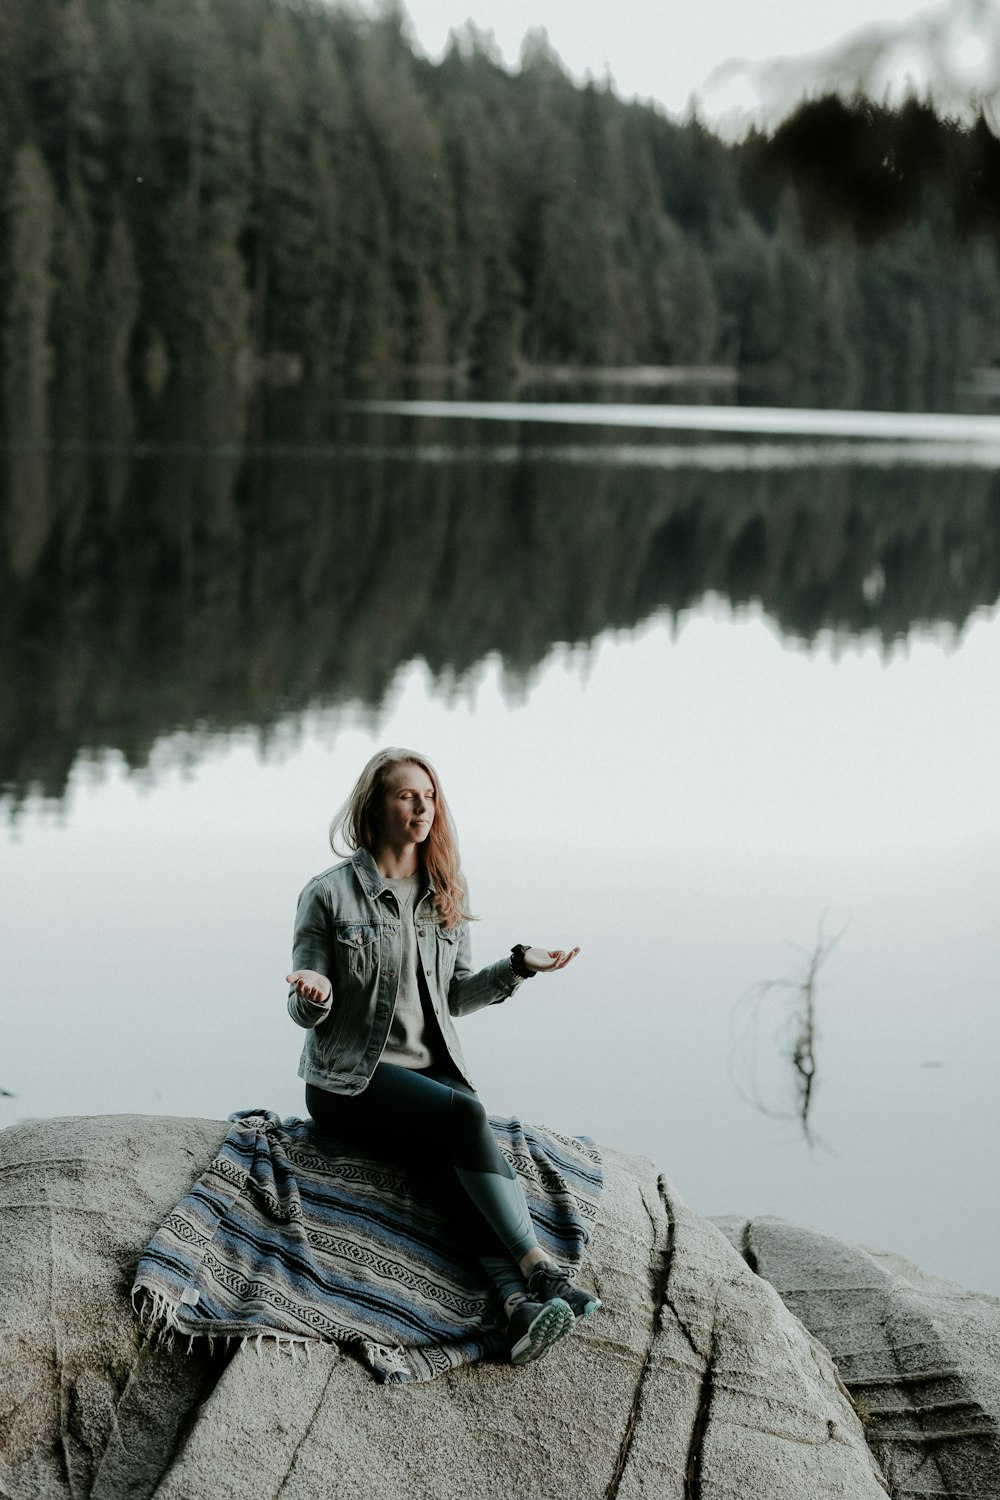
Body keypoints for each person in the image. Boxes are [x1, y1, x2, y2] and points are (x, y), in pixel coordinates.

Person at [285, 746, 599, 1365]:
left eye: (429, 797)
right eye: (407, 795)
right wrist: (314, 996)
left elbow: (455, 996)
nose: (422, 807)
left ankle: (517, 1309)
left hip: (425, 1076)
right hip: (349, 1082)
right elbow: (303, 1002)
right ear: (374, 806)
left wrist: (515, 968)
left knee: (444, 1170)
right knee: (466, 1117)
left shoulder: (443, 893)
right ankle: (540, 1268)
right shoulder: (328, 895)